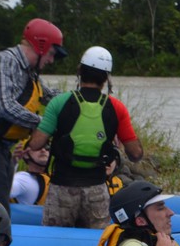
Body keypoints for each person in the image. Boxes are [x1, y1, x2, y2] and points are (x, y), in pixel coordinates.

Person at [27, 46, 143, 229]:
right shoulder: (117, 107)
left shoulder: (58, 102)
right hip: (96, 191)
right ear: (106, 78)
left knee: (54, 240)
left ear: (79, 72)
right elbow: (135, 154)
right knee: (95, 243)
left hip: (61, 189)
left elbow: (35, 144)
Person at [0, 18, 67, 214]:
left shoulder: (29, 71)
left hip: (1, 147)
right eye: (51, 54)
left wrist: (77, 101)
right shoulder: (5, 61)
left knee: (1, 207)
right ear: (40, 46)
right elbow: (5, 106)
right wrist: (43, 124)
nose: (51, 60)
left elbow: (48, 96)